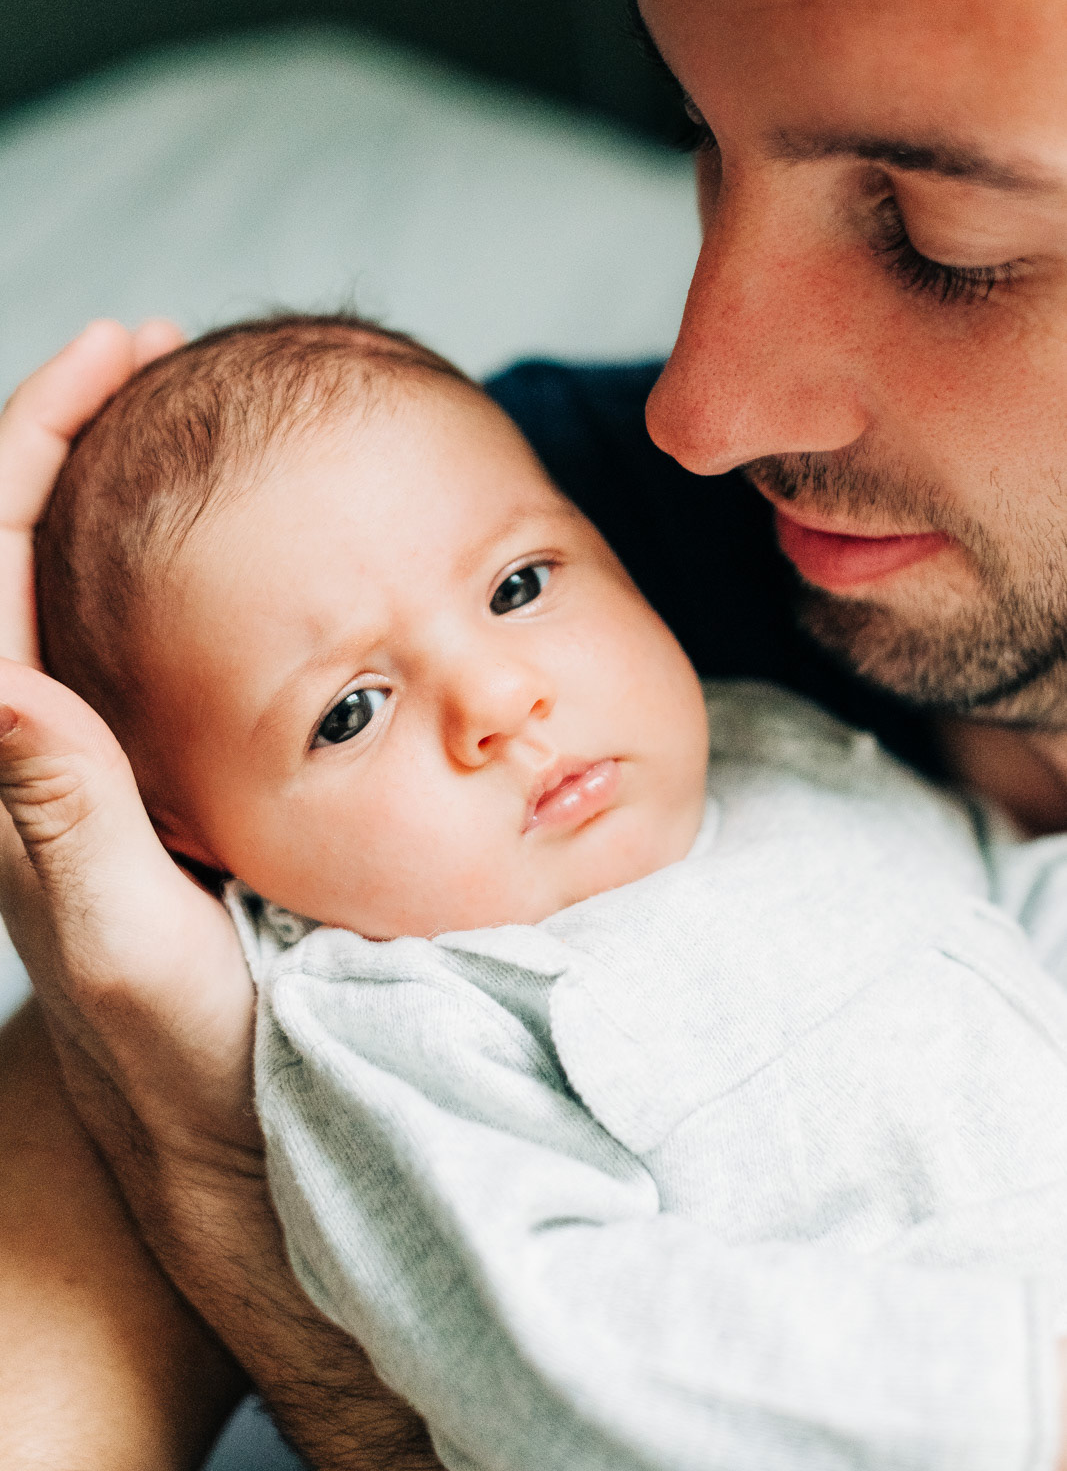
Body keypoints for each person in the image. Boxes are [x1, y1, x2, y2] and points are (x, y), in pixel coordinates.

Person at [6, 0, 1067, 1463]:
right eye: (702, 139)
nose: (701, 410)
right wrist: (219, 1138)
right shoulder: (587, 547)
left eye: (942, 239)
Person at [35, 312, 1067, 1471]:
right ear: (194, 839)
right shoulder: (401, 1016)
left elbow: (1015, 929)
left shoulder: (776, 757)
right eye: (349, 712)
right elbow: (566, 1352)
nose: (496, 697)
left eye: (519, 585)